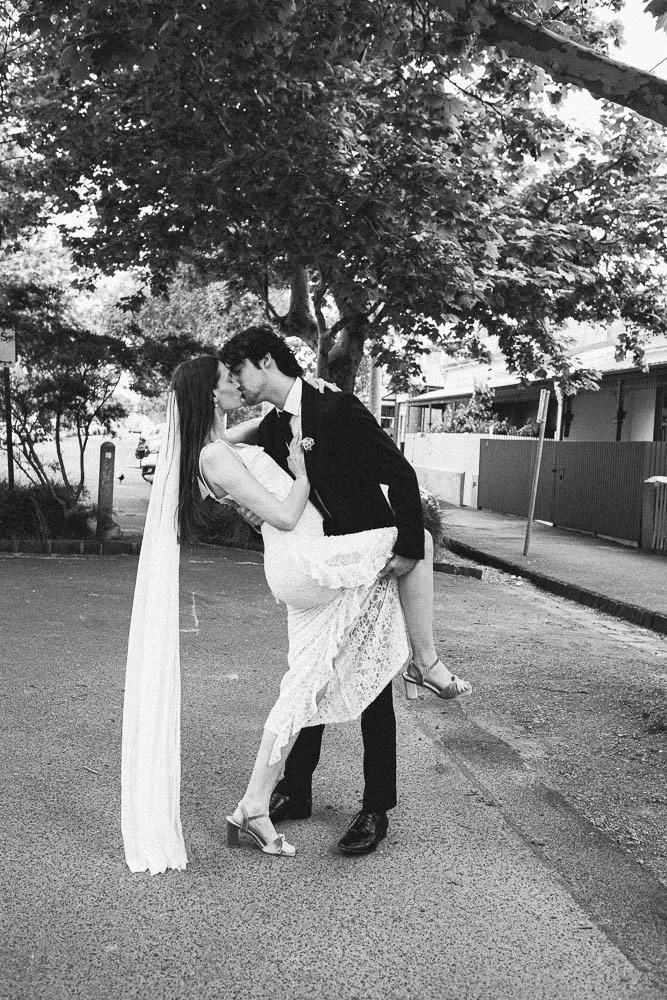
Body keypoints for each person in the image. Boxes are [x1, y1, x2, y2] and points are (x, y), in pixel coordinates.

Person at [121, 351, 470, 873]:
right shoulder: (215, 455)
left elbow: (263, 423)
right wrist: (302, 472)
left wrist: (311, 392)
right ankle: (426, 663)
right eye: (228, 378)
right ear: (212, 393)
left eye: (238, 372)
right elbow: (285, 513)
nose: (237, 383)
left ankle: (259, 803)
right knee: (414, 538)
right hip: (307, 559)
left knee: (307, 681)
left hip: (304, 558)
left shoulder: (233, 437)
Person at [221, 326, 471, 857]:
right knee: (312, 673)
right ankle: (296, 789)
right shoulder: (274, 426)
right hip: (324, 564)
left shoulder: (335, 408)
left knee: (373, 687)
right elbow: (236, 451)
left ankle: (376, 808)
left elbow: (398, 471)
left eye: (239, 370)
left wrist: (409, 544)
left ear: (265, 362)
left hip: (367, 559)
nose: (237, 382)